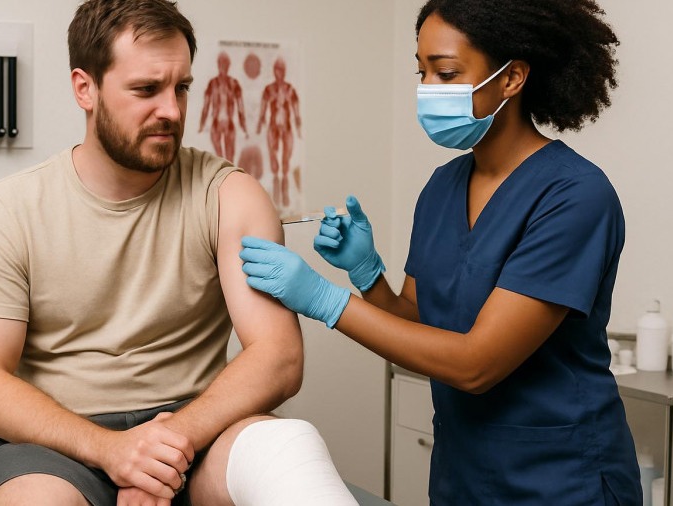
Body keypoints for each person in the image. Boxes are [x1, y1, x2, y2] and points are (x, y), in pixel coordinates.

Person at [239, 0, 642, 504]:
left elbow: (477, 364)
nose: (428, 89)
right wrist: (367, 276)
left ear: (512, 77)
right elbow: (419, 320)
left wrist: (323, 300)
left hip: (561, 476)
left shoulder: (574, 196)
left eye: (446, 73)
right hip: (464, 472)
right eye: (422, 71)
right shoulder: (442, 188)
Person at [0, 1, 357, 505]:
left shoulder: (229, 195)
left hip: (197, 429)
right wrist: (112, 450)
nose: (171, 110)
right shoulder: (11, 208)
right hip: (57, 447)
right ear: (86, 88)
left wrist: (164, 450)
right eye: (146, 89)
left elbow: (277, 357)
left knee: (290, 447)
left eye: (182, 87)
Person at [256, 57, 302, 209]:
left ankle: (285, 190)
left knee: (286, 161)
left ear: (284, 72)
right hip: (273, 128)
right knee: (274, 159)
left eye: (281, 70)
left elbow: (296, 111)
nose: (279, 73)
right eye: (276, 70)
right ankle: (276, 189)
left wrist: (299, 126)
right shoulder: (269, 90)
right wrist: (260, 122)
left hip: (287, 127)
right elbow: (263, 108)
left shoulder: (290, 90)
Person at [199, 51, 248, 162]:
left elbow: (241, 108)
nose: (223, 67)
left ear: (228, 66)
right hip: (216, 124)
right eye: (221, 64)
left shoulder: (234, 83)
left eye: (225, 64)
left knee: (230, 160)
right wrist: (201, 125)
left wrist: (243, 126)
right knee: (219, 160)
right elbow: (206, 107)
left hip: (229, 124)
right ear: (218, 65)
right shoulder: (212, 83)